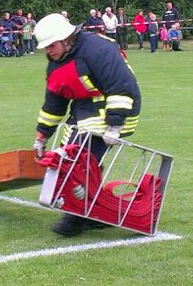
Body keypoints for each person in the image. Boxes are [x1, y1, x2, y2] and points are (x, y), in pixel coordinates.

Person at [31, 13, 141, 236]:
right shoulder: (56, 62)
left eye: (51, 46)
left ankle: (77, 216)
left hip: (118, 106)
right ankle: (95, 210)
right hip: (84, 109)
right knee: (68, 154)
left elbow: (122, 86)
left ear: (66, 39)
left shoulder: (98, 50)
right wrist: (42, 136)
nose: (48, 51)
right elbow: (54, 103)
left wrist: (114, 126)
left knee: (81, 159)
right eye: (45, 48)